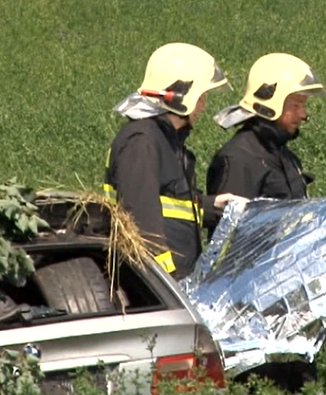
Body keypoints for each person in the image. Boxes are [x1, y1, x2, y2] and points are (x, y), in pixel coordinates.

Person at [103, 43, 245, 279]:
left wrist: (212, 206)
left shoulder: (167, 143)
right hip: (158, 292)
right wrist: (167, 286)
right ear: (180, 97)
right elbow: (140, 223)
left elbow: (172, 209)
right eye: (200, 97)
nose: (203, 106)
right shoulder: (142, 142)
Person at [204, 53, 326, 235]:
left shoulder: (282, 154)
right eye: (296, 106)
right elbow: (228, 239)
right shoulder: (239, 159)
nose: (303, 115)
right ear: (271, 103)